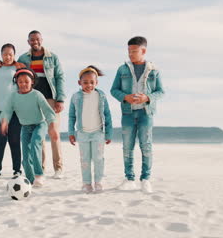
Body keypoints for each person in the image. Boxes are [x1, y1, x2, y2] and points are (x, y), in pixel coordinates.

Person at [110, 36, 165, 194]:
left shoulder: (154, 70)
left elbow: (161, 91)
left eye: (134, 51)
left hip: (146, 113)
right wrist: (124, 97)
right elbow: (114, 90)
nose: (130, 54)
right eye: (129, 51)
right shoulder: (122, 69)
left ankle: (145, 179)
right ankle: (129, 179)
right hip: (127, 113)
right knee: (127, 147)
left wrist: (147, 98)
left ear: (143, 51)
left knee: (146, 146)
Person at [9, 30, 65, 178]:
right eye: (32, 40)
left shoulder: (52, 57)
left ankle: (58, 168)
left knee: (54, 132)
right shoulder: (23, 58)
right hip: (32, 100)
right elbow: (12, 68)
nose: (35, 42)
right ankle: (41, 167)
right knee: (38, 135)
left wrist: (60, 99)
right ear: (28, 41)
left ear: (42, 40)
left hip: (51, 99)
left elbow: (60, 78)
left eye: (37, 39)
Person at [0, 68, 58, 187]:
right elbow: (7, 110)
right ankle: (31, 180)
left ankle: (39, 174)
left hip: (39, 124)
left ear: (32, 81)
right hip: (25, 127)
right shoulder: (13, 96)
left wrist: (52, 127)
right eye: (20, 82)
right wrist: (5, 121)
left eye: (26, 81)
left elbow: (48, 111)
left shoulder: (37, 94)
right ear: (16, 82)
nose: (23, 84)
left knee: (36, 142)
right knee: (26, 157)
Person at [68, 66, 113, 193]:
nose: (89, 85)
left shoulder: (101, 95)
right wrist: (71, 132)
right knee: (85, 160)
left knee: (98, 159)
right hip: (82, 134)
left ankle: (98, 182)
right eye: (85, 82)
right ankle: (87, 183)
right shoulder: (75, 97)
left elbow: (107, 114)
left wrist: (109, 133)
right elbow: (71, 116)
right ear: (79, 83)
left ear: (96, 83)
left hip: (98, 133)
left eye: (92, 82)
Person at [0, 43, 26, 179]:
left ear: (14, 55)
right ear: (1, 55)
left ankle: (17, 169)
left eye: (10, 54)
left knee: (14, 140)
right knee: (0, 141)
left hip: (14, 110)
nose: (8, 56)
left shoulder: (19, 67)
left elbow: (25, 85)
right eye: (5, 54)